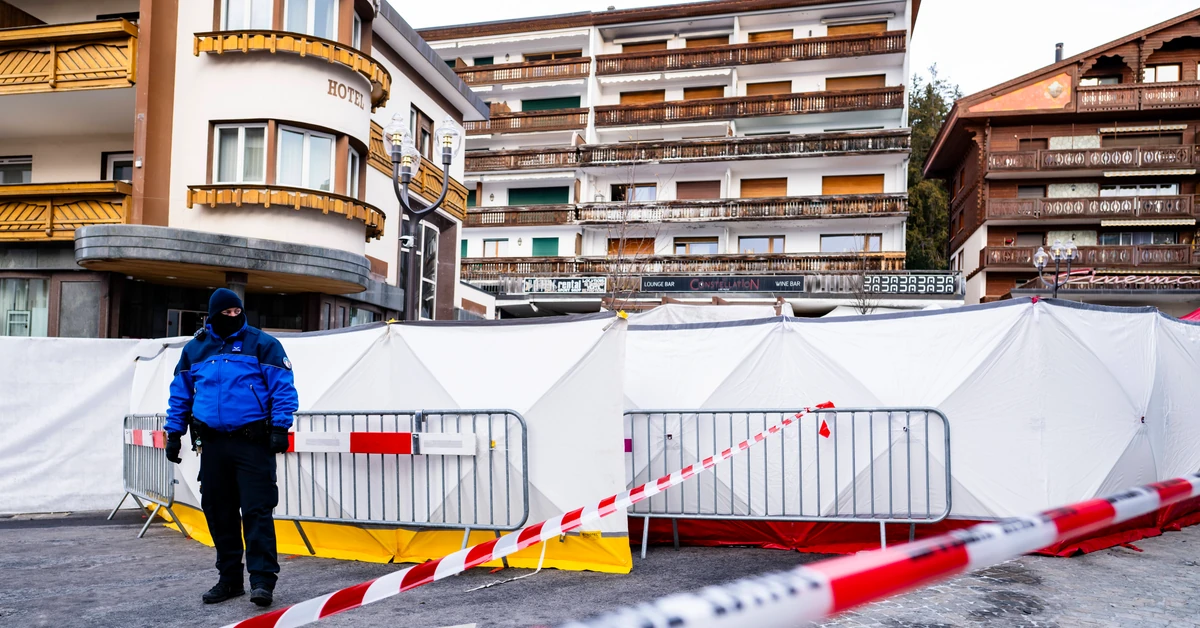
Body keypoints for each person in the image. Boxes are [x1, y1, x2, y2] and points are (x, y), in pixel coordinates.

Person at [164, 288, 298, 607]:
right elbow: (180, 394)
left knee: (256, 512)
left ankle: (262, 581)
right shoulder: (196, 349)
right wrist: (174, 433)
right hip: (213, 445)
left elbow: (282, 388)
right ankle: (229, 580)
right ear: (212, 315)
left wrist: (280, 427)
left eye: (238, 311)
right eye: (226, 312)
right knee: (219, 512)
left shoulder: (262, 344)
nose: (233, 316)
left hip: (253, 443)